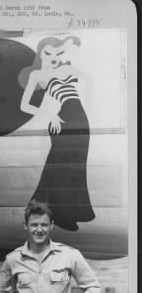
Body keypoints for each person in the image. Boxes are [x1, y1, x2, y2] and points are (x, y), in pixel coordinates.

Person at [19, 36, 95, 231]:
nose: (54, 57)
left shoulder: (67, 69)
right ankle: (44, 209)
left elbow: (90, 79)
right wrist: (49, 114)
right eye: (48, 53)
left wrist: (88, 104)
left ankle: (69, 214)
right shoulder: (38, 75)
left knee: (76, 166)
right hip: (62, 118)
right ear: (40, 53)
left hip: (80, 118)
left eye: (58, 53)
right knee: (56, 164)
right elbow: (24, 104)